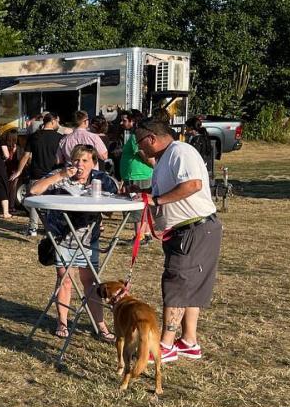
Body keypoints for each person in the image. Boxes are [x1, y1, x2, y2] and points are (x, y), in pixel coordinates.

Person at [135, 119, 221, 364]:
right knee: (189, 284)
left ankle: (166, 345)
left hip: (194, 229)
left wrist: (157, 200)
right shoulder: (165, 158)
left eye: (140, 143)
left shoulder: (180, 152)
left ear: (151, 138)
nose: (139, 149)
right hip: (189, 230)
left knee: (177, 283)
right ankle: (189, 341)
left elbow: (193, 185)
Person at [29, 144, 118, 342]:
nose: (79, 164)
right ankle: (62, 322)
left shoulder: (100, 179)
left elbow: (114, 199)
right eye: (76, 160)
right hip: (62, 236)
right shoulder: (60, 176)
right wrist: (61, 174)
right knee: (65, 278)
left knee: (91, 281)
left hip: (88, 237)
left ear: (93, 163)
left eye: (85, 160)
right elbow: (34, 190)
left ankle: (100, 325)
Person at [13, 112, 63, 237]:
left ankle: (33, 228)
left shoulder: (34, 136)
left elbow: (26, 156)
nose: (58, 124)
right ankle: (50, 229)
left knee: (34, 202)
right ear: (52, 122)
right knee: (52, 202)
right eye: (57, 122)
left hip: (36, 172)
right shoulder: (59, 137)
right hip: (53, 174)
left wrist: (19, 171)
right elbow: (60, 158)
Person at [117, 109, 153, 194]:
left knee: (137, 200)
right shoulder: (134, 136)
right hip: (134, 177)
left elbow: (146, 157)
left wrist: (157, 167)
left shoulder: (136, 136)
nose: (121, 123)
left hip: (138, 177)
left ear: (132, 121)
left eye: (124, 120)